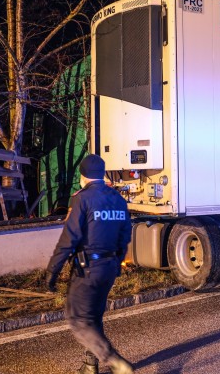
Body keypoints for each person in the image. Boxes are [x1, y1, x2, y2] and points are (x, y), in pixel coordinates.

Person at [46, 154, 133, 374]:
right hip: (109, 267)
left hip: (87, 270)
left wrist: (52, 271)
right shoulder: (118, 199)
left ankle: (115, 362)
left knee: (78, 319)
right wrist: (117, 262)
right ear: (102, 174)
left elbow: (69, 238)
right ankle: (90, 365)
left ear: (82, 175)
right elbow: (125, 235)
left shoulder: (82, 199)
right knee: (93, 316)